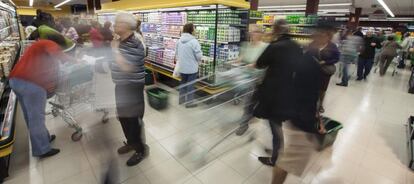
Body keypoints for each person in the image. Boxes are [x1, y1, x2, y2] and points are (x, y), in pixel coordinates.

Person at [9, 34, 75, 158]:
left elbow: (48, 66)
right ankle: (42, 149)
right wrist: (76, 60)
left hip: (16, 80)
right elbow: (58, 54)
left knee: (30, 116)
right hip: (31, 84)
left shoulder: (38, 45)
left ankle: (44, 138)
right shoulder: (49, 43)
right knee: (36, 118)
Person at [253, 19, 301, 167]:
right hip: (289, 90)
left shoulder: (275, 46)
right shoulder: (296, 46)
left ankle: (276, 158)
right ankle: (276, 149)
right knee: (276, 124)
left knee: (275, 125)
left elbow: (260, 63)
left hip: (274, 93)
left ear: (275, 31)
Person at [111, 12, 148, 167]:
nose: (114, 25)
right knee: (123, 117)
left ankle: (141, 149)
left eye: (118, 23)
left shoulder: (136, 43)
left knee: (133, 120)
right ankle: (131, 142)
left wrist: (114, 50)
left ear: (126, 26)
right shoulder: (120, 41)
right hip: (121, 86)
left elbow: (127, 67)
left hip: (132, 87)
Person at [234, 25, 268, 136]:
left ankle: (247, 122)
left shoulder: (265, 47)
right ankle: (245, 121)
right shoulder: (246, 45)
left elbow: (267, 63)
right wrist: (235, 62)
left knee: (252, 104)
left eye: (254, 32)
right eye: (250, 32)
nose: (252, 34)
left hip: (260, 80)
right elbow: (241, 58)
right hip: (248, 79)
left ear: (260, 33)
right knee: (248, 103)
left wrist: (255, 65)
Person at [307, 26, 340, 113]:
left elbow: (336, 59)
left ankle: (320, 104)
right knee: (311, 87)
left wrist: (325, 62)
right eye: (320, 35)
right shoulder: (313, 44)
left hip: (325, 71)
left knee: (322, 89)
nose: (322, 37)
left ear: (329, 36)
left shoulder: (333, 46)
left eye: (324, 35)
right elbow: (307, 54)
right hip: (313, 70)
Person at [174, 23, 202, 108]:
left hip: (182, 67)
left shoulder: (179, 40)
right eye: (194, 28)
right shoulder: (194, 42)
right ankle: (189, 102)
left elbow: (176, 54)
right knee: (190, 85)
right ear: (191, 30)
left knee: (183, 83)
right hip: (191, 68)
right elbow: (199, 56)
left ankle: (181, 100)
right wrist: (199, 60)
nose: (195, 30)